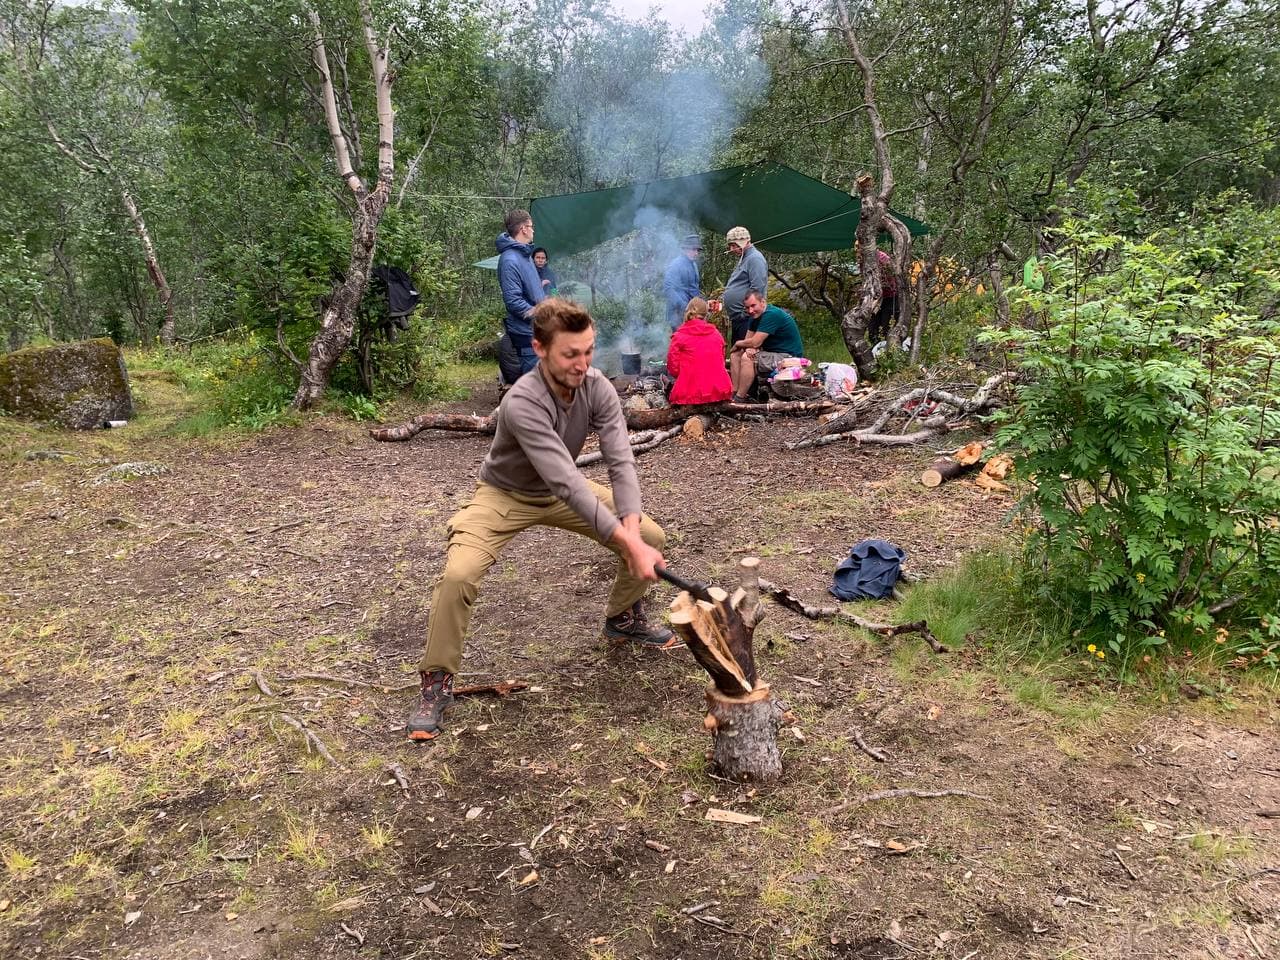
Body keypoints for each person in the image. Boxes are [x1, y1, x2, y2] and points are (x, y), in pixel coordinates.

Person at [406, 298, 674, 742]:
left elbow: (620, 460)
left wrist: (631, 531)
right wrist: (629, 545)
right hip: (505, 495)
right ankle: (436, 680)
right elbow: (565, 480)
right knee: (459, 575)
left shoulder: (597, 386)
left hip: (560, 492)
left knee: (649, 533)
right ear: (540, 349)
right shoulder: (522, 401)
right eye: (570, 354)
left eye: (588, 351)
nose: (582, 364)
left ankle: (623, 618)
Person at [496, 209, 546, 382]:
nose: (533, 230)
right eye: (531, 226)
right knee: (536, 388)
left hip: (537, 330)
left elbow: (530, 292)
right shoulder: (510, 260)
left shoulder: (525, 256)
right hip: (526, 336)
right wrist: (542, 311)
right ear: (523, 229)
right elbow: (513, 301)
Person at [729, 290, 805, 402]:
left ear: (763, 302)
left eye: (753, 305)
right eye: (747, 307)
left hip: (788, 357)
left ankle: (740, 398)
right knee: (736, 354)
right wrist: (749, 347)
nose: (750, 310)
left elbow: (755, 342)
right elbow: (748, 341)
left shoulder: (771, 314)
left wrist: (738, 343)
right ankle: (733, 392)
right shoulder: (754, 317)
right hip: (773, 354)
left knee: (747, 358)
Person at [666, 297, 732, 405]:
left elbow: (673, 366)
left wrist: (683, 376)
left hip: (689, 393)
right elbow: (721, 360)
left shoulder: (679, 336)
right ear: (706, 314)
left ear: (688, 312)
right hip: (719, 391)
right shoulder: (716, 334)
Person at [720, 226, 767, 344]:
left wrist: (745, 313)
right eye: (730, 245)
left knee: (744, 351)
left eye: (734, 245)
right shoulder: (745, 258)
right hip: (739, 319)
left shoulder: (755, 259)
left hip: (747, 319)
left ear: (744, 242)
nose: (732, 249)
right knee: (737, 350)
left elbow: (757, 289)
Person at [662, 234, 702, 330]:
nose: (696, 253)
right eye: (694, 249)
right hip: (677, 314)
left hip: (691, 313)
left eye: (698, 250)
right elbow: (668, 289)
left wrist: (702, 303)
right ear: (685, 249)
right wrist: (684, 306)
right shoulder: (676, 265)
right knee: (680, 338)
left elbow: (694, 289)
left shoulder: (693, 265)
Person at [868, 247, 898, 343]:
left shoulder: (882, 257)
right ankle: (875, 348)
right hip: (875, 298)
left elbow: (890, 276)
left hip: (889, 297)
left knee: (886, 328)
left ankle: (888, 349)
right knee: (873, 329)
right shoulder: (865, 259)